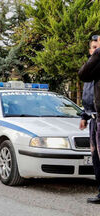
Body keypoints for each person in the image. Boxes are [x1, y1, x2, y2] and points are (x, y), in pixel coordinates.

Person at [78, 35, 100, 204]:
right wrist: (84, 116)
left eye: (97, 47)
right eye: (93, 47)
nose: (95, 50)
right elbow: (89, 96)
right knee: (96, 158)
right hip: (93, 118)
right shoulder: (91, 67)